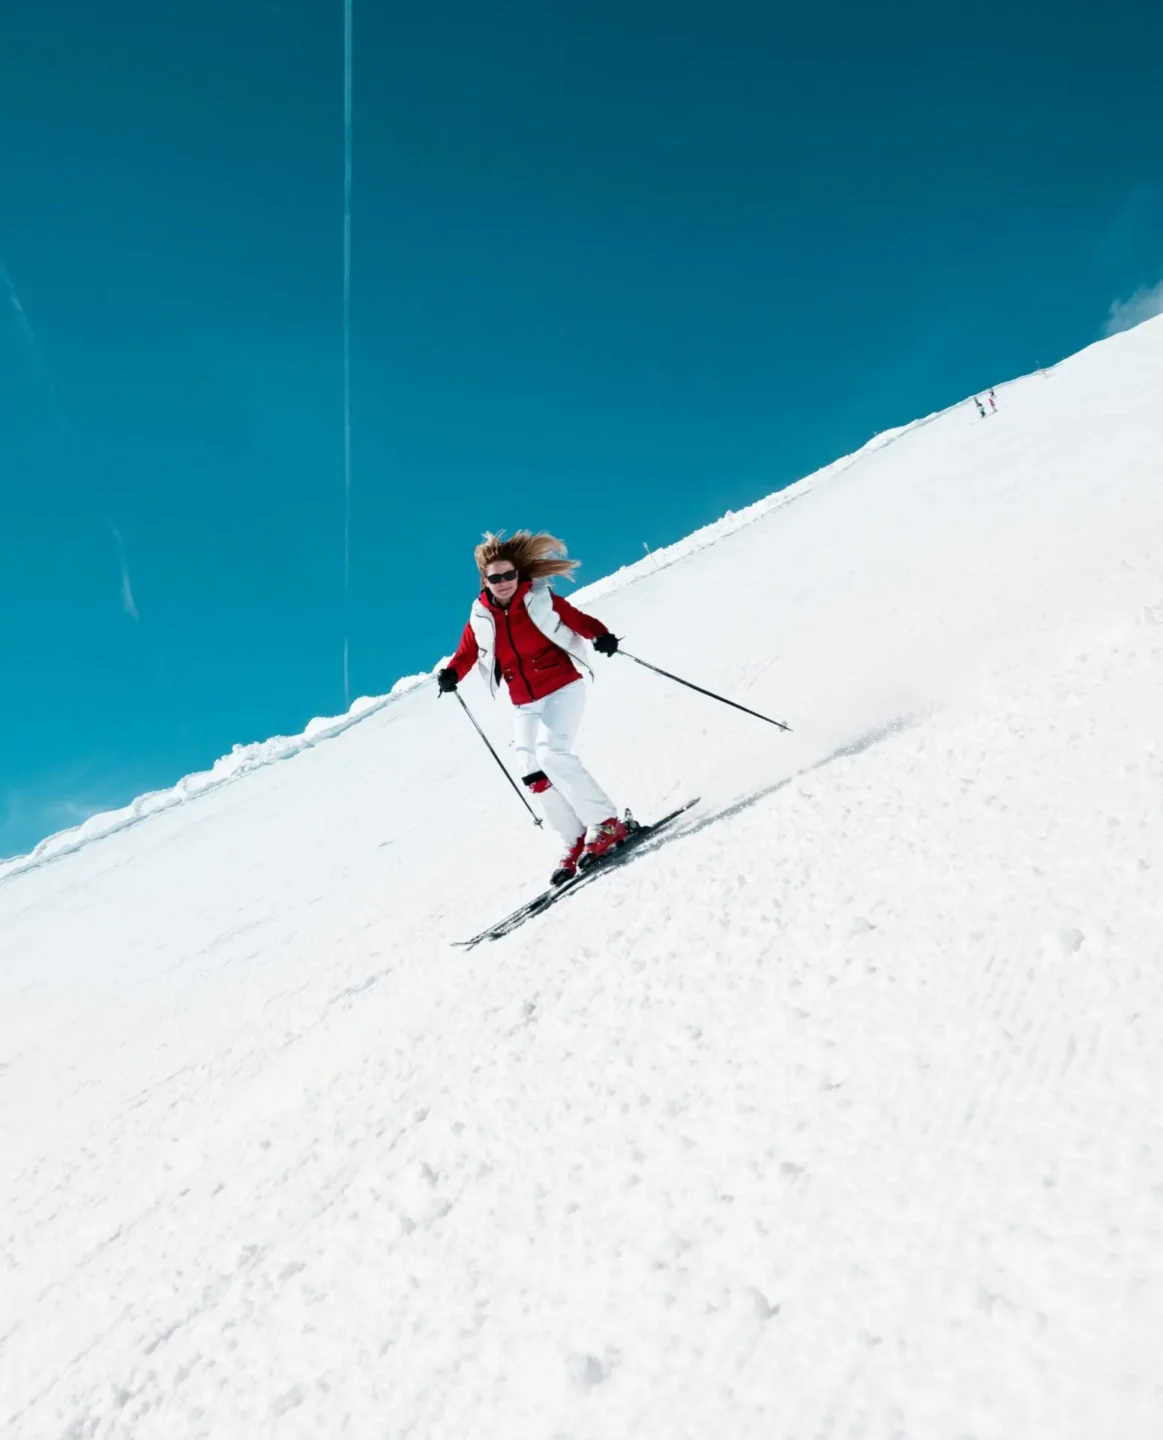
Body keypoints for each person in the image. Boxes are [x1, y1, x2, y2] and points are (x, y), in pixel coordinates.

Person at [437, 531, 627, 884]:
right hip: (525, 701)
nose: (504, 582)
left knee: (552, 753)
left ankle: (607, 823)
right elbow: (467, 652)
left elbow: (576, 619)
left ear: (518, 575)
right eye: (496, 577)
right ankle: (574, 838)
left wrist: (599, 635)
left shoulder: (540, 599)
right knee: (530, 768)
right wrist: (451, 674)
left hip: (561, 687)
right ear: (486, 581)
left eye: (509, 575)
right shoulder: (481, 616)